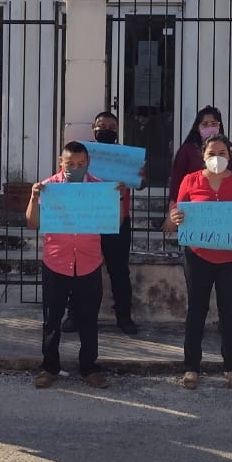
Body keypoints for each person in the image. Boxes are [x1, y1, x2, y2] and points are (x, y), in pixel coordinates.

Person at [169, 134, 232, 390]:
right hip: (198, 255)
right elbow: (177, 212)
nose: (217, 158)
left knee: (228, 311)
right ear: (203, 156)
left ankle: (231, 368)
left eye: (223, 153)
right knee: (196, 310)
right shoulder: (190, 180)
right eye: (212, 153)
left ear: (231, 157)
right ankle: (191, 367)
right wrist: (176, 216)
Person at [27, 141, 111, 390]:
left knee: (88, 319)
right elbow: (32, 223)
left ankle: (89, 368)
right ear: (61, 163)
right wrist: (33, 198)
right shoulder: (49, 187)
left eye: (81, 164)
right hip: (56, 261)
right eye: (70, 164)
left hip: (88, 260)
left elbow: (112, 221)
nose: (75, 168)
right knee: (52, 319)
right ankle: (48, 367)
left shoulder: (99, 188)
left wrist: (115, 198)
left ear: (88, 164)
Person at [63, 111, 141, 335]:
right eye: (101, 125)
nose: (106, 129)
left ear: (117, 131)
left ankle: (124, 317)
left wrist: (141, 177)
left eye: (111, 126)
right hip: (87, 219)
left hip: (117, 219)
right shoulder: (83, 152)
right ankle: (74, 314)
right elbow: (68, 175)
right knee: (79, 268)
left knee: (119, 271)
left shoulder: (126, 156)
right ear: (94, 129)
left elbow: (141, 183)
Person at [164, 105, 232, 229]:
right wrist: (172, 213)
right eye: (205, 124)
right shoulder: (188, 150)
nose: (209, 127)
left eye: (213, 124)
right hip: (197, 215)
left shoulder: (229, 149)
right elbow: (176, 180)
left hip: (226, 215)